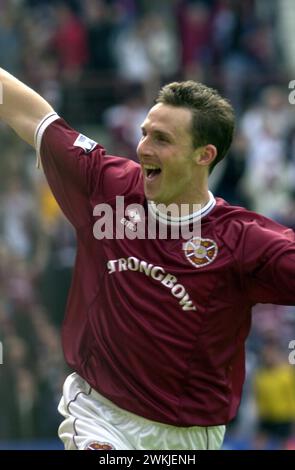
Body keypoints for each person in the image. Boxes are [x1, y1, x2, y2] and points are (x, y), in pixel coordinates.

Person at [1, 68, 295, 451]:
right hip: (100, 415)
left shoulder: (244, 241)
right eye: (144, 133)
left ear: (203, 155)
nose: (143, 148)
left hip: (192, 438)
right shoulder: (107, 186)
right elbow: (30, 114)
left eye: (162, 139)